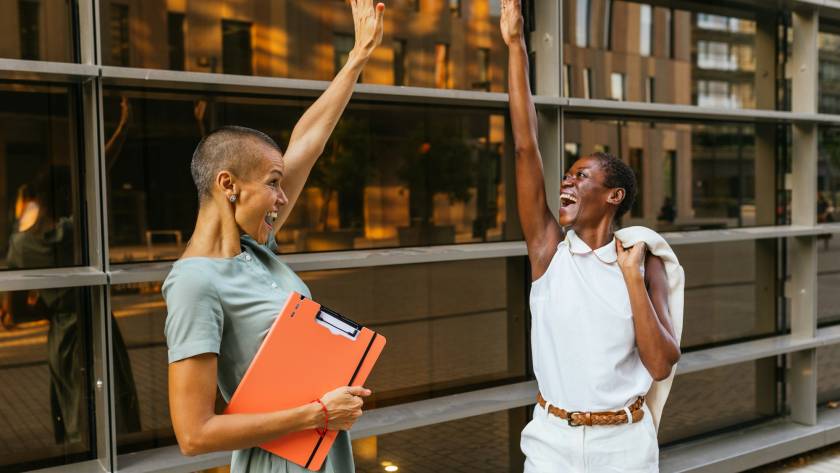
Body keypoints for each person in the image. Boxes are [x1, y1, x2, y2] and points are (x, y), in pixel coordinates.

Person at [162, 2, 384, 472]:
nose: (283, 198)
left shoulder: (252, 249)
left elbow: (308, 143)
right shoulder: (193, 284)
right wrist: (320, 413)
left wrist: (357, 57)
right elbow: (193, 433)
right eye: (273, 183)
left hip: (321, 452)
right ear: (228, 185)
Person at [499, 1, 682, 471]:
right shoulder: (547, 253)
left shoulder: (645, 260)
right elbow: (524, 147)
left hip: (623, 445)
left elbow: (661, 364)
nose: (566, 182)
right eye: (566, 175)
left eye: (581, 177)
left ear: (615, 195)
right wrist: (516, 44)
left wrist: (630, 277)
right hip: (551, 440)